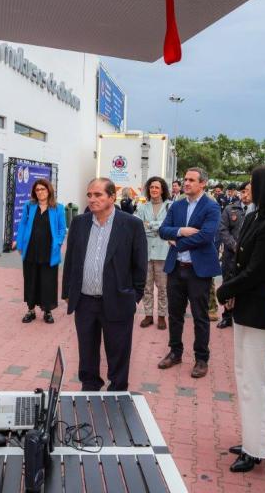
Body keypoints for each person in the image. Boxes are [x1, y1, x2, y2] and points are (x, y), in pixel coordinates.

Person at [216, 166, 265, 473]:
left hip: (262, 314)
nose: (248, 188)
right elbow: (238, 260)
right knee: (245, 378)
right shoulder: (254, 217)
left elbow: (258, 271)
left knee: (259, 383)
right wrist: (232, 288)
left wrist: (225, 290)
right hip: (246, 309)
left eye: (253, 184)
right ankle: (253, 438)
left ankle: (258, 447)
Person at [62, 178, 147, 391]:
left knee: (118, 350)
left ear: (112, 197)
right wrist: (67, 292)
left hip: (117, 300)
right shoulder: (79, 223)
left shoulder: (131, 224)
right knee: (87, 349)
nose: (92, 199)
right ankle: (89, 386)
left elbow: (140, 264)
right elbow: (71, 260)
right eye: (89, 195)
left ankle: (117, 389)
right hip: (85, 301)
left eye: (98, 195)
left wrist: (133, 296)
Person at [157, 167, 222, 378]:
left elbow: (206, 236)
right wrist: (181, 231)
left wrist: (178, 243)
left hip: (198, 271)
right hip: (175, 269)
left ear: (203, 183)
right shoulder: (176, 205)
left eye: (191, 180)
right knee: (175, 314)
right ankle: (175, 352)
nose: (186, 183)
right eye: (185, 179)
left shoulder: (211, 207)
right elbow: (163, 230)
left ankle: (201, 358)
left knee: (200, 316)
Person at [14, 179, 67, 324]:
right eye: (37, 190)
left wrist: (58, 241)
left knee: (48, 282)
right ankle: (30, 310)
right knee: (31, 280)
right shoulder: (29, 206)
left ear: (49, 190)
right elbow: (22, 225)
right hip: (30, 249)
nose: (40, 192)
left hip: (49, 252)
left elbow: (63, 228)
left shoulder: (58, 208)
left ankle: (47, 311)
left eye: (43, 189)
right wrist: (20, 244)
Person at [135, 176, 172, 329]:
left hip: (164, 252)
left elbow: (168, 225)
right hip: (147, 251)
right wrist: (159, 228)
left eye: (157, 187)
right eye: (151, 187)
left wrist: (150, 225)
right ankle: (148, 315)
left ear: (162, 189)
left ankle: (162, 316)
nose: (154, 190)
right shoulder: (143, 206)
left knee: (163, 287)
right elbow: (137, 224)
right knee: (146, 286)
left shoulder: (170, 206)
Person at [216, 181, 250, 329]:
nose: (245, 195)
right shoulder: (231, 209)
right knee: (228, 284)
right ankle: (227, 316)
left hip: (249, 257)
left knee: (246, 285)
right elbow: (223, 230)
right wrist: (234, 245)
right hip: (231, 256)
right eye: (243, 192)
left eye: (248, 191)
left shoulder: (259, 210)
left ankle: (242, 316)